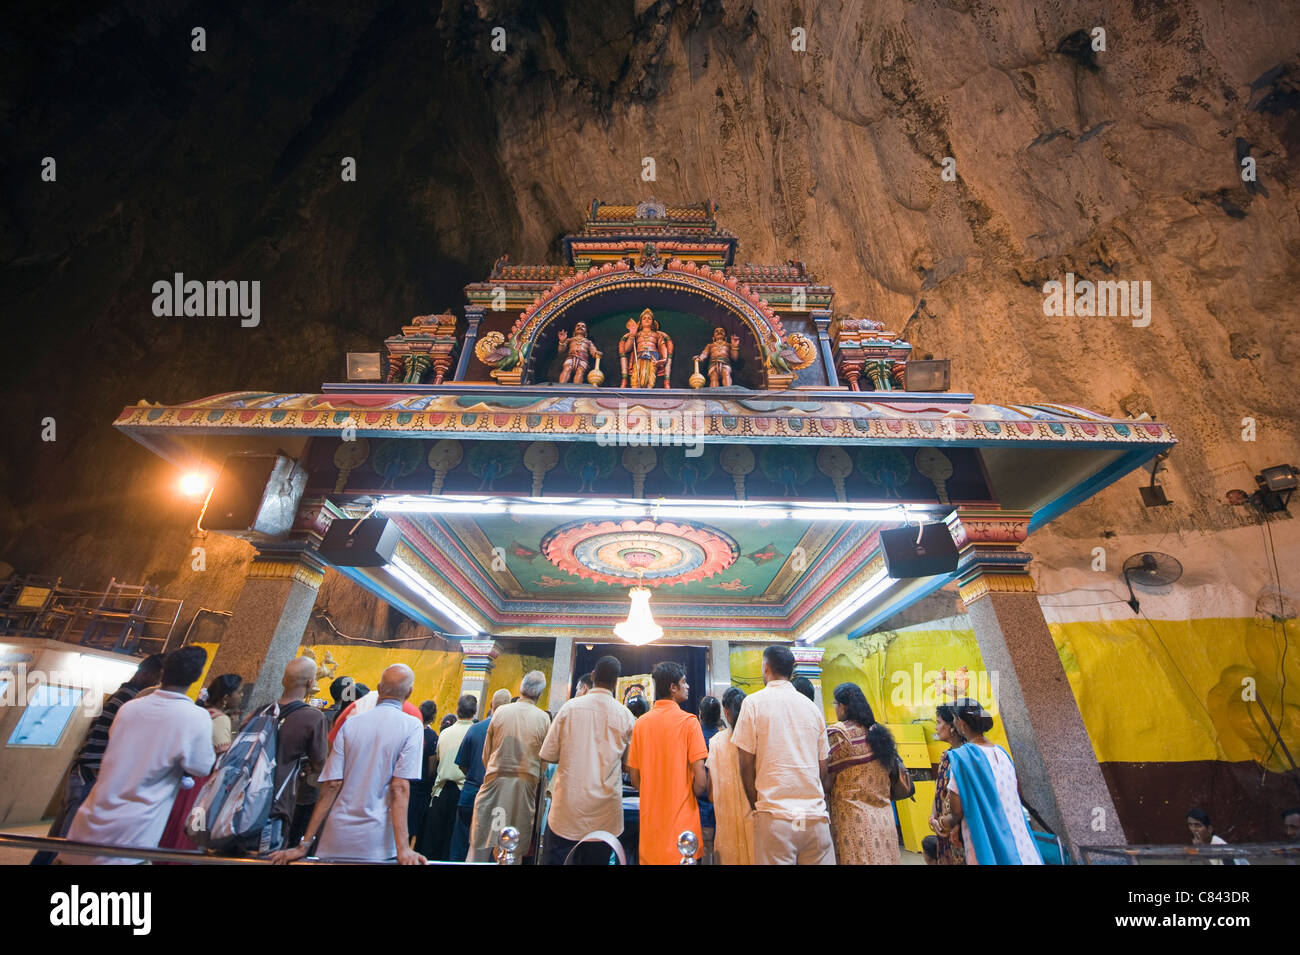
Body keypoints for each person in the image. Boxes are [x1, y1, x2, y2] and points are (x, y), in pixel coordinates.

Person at [60, 646, 216, 864]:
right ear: (197, 677)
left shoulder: (130, 708)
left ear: (163, 673)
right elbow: (200, 766)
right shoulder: (196, 717)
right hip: (133, 832)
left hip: (90, 823)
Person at [271, 664, 425, 864]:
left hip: (336, 835)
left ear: (378, 688)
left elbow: (331, 785)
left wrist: (304, 845)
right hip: (376, 841)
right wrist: (403, 848)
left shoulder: (351, 723)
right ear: (410, 692)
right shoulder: (412, 725)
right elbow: (399, 787)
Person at [32, 653, 164, 864]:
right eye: (158, 677)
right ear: (145, 673)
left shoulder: (121, 695)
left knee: (57, 837)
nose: (159, 684)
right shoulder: (131, 700)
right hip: (91, 773)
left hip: (83, 770)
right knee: (68, 840)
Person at [732, 645, 834, 865]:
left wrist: (756, 803)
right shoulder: (812, 708)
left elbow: (745, 764)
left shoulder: (753, 703)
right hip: (813, 818)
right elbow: (822, 767)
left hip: (776, 817)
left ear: (766, 667)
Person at [540, 655, 636, 865]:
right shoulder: (626, 716)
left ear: (592, 676)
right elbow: (629, 765)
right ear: (616, 682)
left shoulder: (569, 708)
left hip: (566, 811)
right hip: (604, 815)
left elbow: (548, 754)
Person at [935, 698, 1042, 865]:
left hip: (988, 844)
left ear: (962, 724)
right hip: (1023, 844)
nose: (954, 724)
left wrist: (939, 823)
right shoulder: (1002, 753)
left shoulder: (963, 757)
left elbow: (956, 813)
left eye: (954, 719)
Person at [627, 661, 708, 864]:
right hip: (684, 833)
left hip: (651, 833)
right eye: (684, 682)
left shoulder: (641, 724)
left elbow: (635, 780)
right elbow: (700, 780)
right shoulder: (689, 722)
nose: (688, 686)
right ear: (673, 688)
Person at [467, 671, 552, 863]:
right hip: (523, 789)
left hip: (494, 783)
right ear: (539, 694)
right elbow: (543, 763)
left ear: (521, 689)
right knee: (512, 850)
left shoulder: (501, 712)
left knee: (480, 845)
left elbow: (486, 755)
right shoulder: (543, 718)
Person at [158, 672, 242, 851]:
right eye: (239, 692)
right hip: (199, 785)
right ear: (227, 697)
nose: (241, 696)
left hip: (179, 779)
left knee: (172, 826)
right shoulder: (220, 719)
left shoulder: (201, 711)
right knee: (191, 830)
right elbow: (223, 758)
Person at [825, 682, 901, 865]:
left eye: (835, 704)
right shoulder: (878, 732)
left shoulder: (839, 735)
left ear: (842, 706)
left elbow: (826, 779)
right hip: (884, 818)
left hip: (853, 821)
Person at [264, 656, 329, 851]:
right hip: (280, 799)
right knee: (270, 853)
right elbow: (321, 764)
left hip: (245, 796)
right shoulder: (313, 717)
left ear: (283, 681)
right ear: (311, 682)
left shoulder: (262, 711)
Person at [452, 689, 510, 861]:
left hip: (470, 791)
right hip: (495, 795)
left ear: (491, 705)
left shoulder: (475, 729)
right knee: (489, 846)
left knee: (461, 842)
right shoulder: (508, 733)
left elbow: (462, 763)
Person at [422, 694, 477, 859]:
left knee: (433, 843)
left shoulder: (445, 733)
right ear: (474, 711)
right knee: (452, 844)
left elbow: (437, 761)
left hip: (441, 791)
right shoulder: (475, 732)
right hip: (462, 791)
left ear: (458, 710)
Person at [706, 687, 754, 865]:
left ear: (726, 712)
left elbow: (711, 794)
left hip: (726, 830)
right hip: (755, 828)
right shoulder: (757, 739)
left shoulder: (716, 743)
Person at [928, 704, 966, 865]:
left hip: (960, 831)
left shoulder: (965, 756)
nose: (936, 728)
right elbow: (939, 792)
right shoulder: (946, 756)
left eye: (938, 722)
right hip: (943, 829)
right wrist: (933, 817)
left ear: (953, 726)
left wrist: (953, 825)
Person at [408, 700, 439, 850]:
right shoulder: (433, 737)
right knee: (418, 826)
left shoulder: (410, 730)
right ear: (433, 717)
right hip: (423, 787)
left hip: (407, 782)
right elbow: (432, 767)